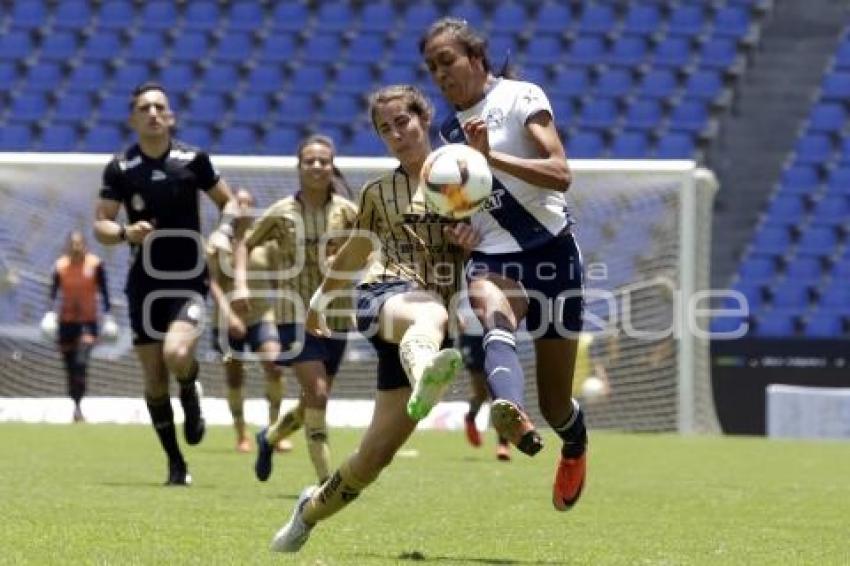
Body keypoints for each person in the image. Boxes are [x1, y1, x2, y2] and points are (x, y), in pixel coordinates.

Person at [269, 85, 477, 553]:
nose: (396, 134)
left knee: (374, 457)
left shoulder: (467, 177)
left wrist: (471, 240)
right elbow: (358, 249)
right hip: (383, 297)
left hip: (427, 321)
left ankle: (307, 512)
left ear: (424, 118)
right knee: (427, 310)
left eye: (402, 122)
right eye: (385, 129)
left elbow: (491, 242)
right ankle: (427, 371)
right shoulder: (378, 192)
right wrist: (322, 299)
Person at [420, 18, 588, 512]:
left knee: (558, 404)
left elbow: (561, 174)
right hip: (495, 256)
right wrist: (459, 225)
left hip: (554, 254)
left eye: (447, 61)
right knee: (493, 318)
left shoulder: (521, 97)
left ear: (476, 57)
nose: (441, 74)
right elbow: (465, 201)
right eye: (432, 68)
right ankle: (509, 409)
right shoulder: (445, 131)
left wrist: (492, 158)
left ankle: (574, 444)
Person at [93, 82, 234, 486]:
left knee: (176, 353)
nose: (153, 113)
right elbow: (101, 223)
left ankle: (190, 388)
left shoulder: (194, 159)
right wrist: (123, 234)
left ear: (170, 116)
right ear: (133, 118)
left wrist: (223, 232)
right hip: (144, 286)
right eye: (144, 107)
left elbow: (230, 204)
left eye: (160, 106)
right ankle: (175, 463)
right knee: (154, 379)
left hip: (188, 279)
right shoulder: (121, 168)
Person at [233, 134, 358, 485]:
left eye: (323, 160)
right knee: (318, 394)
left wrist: (348, 257)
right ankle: (326, 483)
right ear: (299, 167)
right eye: (310, 161)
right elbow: (245, 244)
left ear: (332, 166)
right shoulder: (281, 212)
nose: (317, 166)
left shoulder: (347, 212)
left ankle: (269, 437)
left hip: (337, 316)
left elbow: (373, 247)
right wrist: (241, 283)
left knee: (311, 402)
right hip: (294, 318)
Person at [207, 188, 286, 453]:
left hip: (262, 315)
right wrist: (229, 316)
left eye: (247, 203)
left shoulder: (268, 244)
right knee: (234, 376)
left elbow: (279, 280)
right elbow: (213, 284)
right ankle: (241, 434)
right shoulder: (218, 243)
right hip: (227, 321)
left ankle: (275, 432)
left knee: (275, 365)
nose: (243, 208)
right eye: (238, 203)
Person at [40, 230, 116, 423]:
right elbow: (52, 293)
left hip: (87, 323)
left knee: (81, 362)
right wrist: (49, 313)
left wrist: (108, 316)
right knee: (70, 367)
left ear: (85, 245)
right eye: (73, 244)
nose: (76, 247)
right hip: (66, 323)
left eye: (79, 243)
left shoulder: (95, 265)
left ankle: (79, 406)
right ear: (68, 245)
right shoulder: (60, 267)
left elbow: (105, 292)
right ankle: (76, 406)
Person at [458, 331, 511, 461]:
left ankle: (503, 444)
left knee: (499, 392)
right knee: (481, 393)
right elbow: (451, 311)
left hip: (496, 335)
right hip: (471, 336)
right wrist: (456, 323)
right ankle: (471, 417)